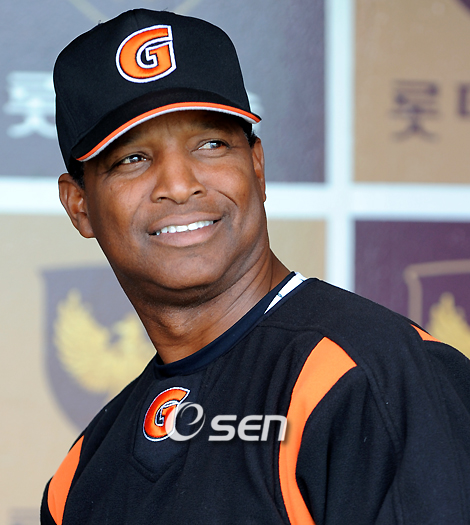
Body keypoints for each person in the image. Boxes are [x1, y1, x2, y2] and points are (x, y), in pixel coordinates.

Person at [41, 9, 470, 525]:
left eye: (211, 144)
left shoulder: (368, 377)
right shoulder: (81, 474)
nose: (179, 185)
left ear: (257, 167)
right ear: (80, 206)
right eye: (132, 158)